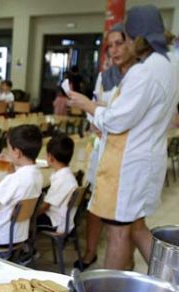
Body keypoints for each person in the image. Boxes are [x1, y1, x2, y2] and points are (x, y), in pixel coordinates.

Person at [67, 5, 179, 269]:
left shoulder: (144, 71)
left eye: (127, 39)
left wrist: (87, 105)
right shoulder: (169, 65)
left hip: (128, 165)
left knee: (118, 231)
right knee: (137, 227)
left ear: (138, 37)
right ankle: (172, 281)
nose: (125, 45)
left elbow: (117, 120)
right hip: (148, 157)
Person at [76, 23, 135, 269]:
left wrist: (103, 115)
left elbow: (124, 116)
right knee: (94, 203)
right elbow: (95, 106)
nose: (113, 50)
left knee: (125, 217)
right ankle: (90, 252)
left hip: (126, 152)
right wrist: (96, 119)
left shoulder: (138, 76)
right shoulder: (105, 76)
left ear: (132, 42)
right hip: (102, 146)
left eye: (118, 43)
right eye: (109, 46)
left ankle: (125, 263)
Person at [36, 135, 78, 234]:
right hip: (63, 218)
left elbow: (45, 207)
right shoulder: (67, 175)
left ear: (51, 158)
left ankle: (27, 247)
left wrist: (29, 216)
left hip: (57, 222)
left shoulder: (62, 180)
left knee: (25, 222)